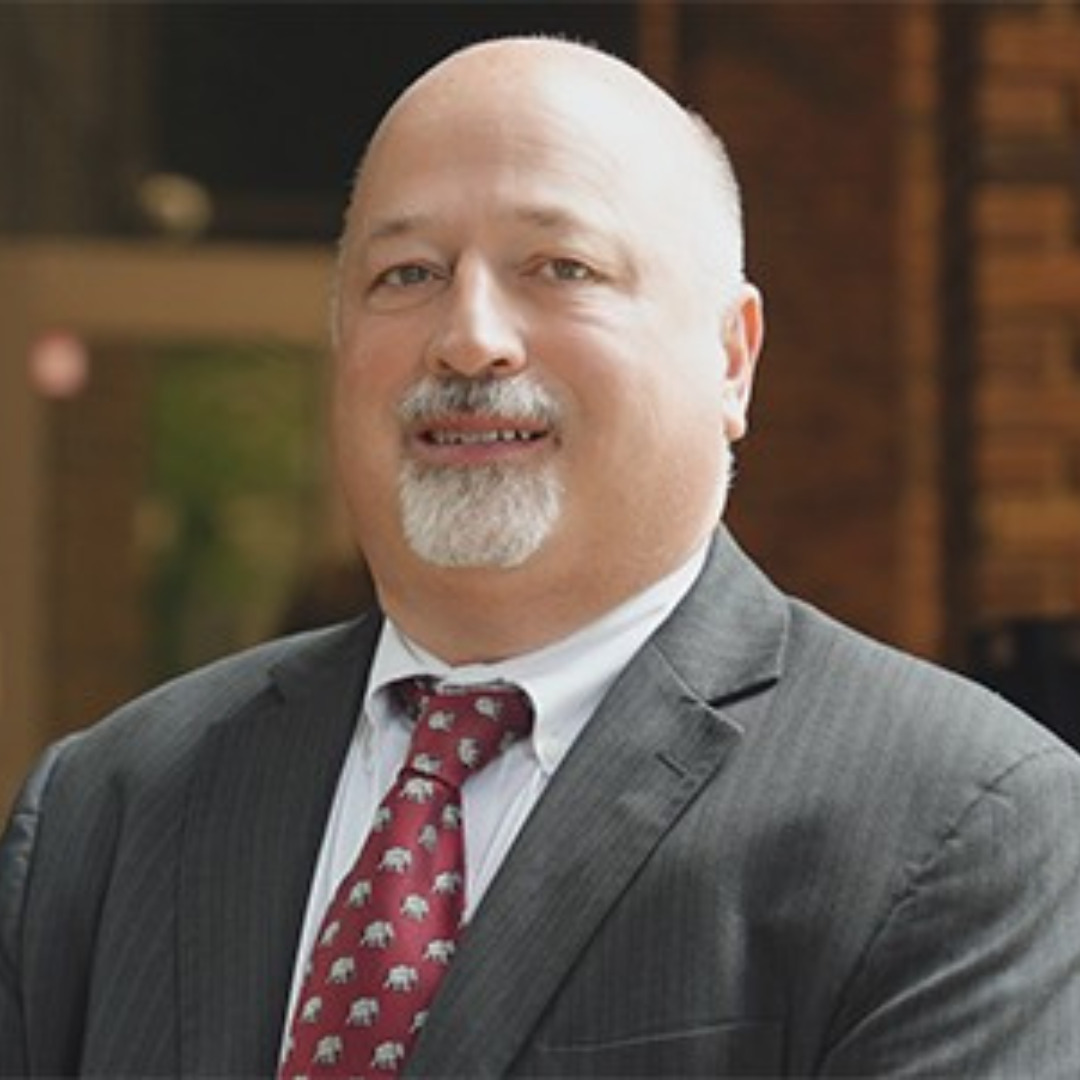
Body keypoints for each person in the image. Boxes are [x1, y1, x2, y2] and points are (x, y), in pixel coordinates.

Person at [2, 36, 1080, 1080]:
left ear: (731, 358)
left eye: (561, 267)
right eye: (406, 273)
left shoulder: (968, 826)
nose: (469, 338)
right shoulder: (107, 809)